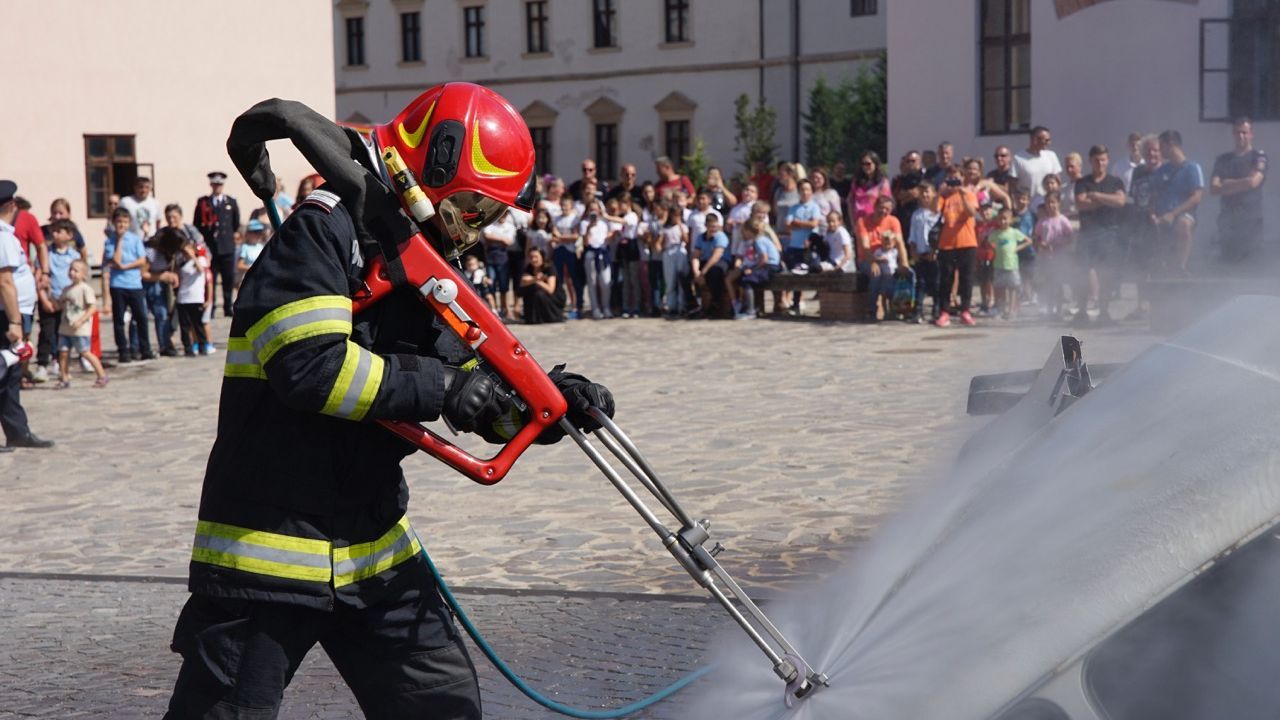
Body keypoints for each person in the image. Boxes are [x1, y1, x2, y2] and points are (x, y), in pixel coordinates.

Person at [165, 82, 613, 719]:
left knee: (442, 705)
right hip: (269, 549)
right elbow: (310, 368)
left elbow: (471, 388)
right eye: (473, 207)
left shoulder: (414, 256)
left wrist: (547, 408)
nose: (478, 229)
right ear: (433, 166)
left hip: (372, 548)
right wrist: (446, 389)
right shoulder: (323, 230)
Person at [0, 181, 52, 450]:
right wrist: (15, 322)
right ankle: (17, 430)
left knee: (9, 376)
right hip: (9, 314)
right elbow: (5, 281)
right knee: (3, 371)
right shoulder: (4, 236)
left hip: (12, 311)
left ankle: (17, 430)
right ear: (12, 205)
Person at [1073, 144, 1127, 325]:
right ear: (1090, 161)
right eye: (1096, 160)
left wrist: (1096, 196)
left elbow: (1120, 201)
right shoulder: (1082, 183)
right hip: (1087, 233)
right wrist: (1107, 200)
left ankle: (1104, 312)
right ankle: (1081, 312)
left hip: (1109, 233)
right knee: (1082, 273)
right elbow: (1081, 204)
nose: (1100, 163)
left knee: (1106, 275)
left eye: (1103, 159)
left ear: (1108, 160)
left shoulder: (1115, 182)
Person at [1210, 117, 1268, 263]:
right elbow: (1214, 188)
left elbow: (1254, 182)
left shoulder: (1258, 157)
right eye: (1237, 132)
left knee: (1251, 268)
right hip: (1228, 222)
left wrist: (1228, 183)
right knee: (1228, 267)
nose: (1241, 136)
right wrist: (1243, 183)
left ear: (1251, 134)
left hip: (1251, 222)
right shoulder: (1223, 159)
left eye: (1244, 132)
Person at [104, 207, 153, 362]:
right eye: (119, 222)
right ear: (114, 223)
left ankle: (145, 348)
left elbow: (142, 260)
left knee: (141, 318)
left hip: (134, 284)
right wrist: (119, 240)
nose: (122, 225)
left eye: (125, 222)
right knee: (119, 320)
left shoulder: (135, 239)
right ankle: (123, 350)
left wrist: (126, 267)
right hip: (118, 284)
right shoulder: (110, 241)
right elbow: (115, 260)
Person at [933, 164, 979, 327]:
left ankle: (965, 310)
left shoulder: (969, 194)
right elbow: (934, 210)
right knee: (946, 279)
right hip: (947, 243)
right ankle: (944, 311)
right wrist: (939, 192)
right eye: (950, 177)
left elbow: (972, 213)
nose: (953, 181)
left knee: (967, 278)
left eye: (956, 178)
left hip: (967, 241)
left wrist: (961, 192)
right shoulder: (944, 197)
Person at [1153, 130, 1204, 277]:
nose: (1159, 151)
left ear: (1171, 144)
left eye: (1161, 146)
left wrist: (1172, 214)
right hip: (1162, 216)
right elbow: (1154, 196)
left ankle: (1180, 267)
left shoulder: (1192, 168)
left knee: (1183, 224)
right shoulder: (1161, 170)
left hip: (1184, 214)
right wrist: (1153, 214)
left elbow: (1196, 197)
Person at [35, 221, 81, 379]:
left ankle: (61, 363)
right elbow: (39, 277)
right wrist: (44, 300)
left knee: (65, 334)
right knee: (47, 333)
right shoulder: (46, 254)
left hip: (68, 302)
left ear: (69, 235)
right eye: (52, 232)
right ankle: (42, 364)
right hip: (50, 299)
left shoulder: (74, 256)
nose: (54, 235)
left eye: (58, 231)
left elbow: (80, 279)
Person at [193, 171, 241, 316]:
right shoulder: (203, 202)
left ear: (223, 185)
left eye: (219, 184)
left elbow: (235, 223)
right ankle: (211, 306)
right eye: (214, 184)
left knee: (228, 279)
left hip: (227, 247)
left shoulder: (230, 202)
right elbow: (197, 223)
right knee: (210, 278)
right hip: (211, 247)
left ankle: (227, 306)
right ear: (211, 185)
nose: (217, 187)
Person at [1126, 135, 1162, 321]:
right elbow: (1134, 196)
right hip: (1140, 222)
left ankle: (1157, 304)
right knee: (1140, 266)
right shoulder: (1138, 171)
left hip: (1157, 223)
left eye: (1155, 150)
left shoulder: (1165, 171)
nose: (1152, 154)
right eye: (1148, 151)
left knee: (1156, 264)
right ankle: (1141, 305)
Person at [56, 259, 108, 388]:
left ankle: (101, 375)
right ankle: (64, 377)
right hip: (65, 327)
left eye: (76, 270)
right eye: (71, 270)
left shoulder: (85, 289)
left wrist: (81, 320)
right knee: (63, 352)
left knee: (85, 352)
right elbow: (61, 304)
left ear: (83, 274)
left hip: (80, 329)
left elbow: (92, 308)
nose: (72, 273)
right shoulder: (66, 289)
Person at [857, 195, 905, 321]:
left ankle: (893, 307)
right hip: (867, 259)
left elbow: (900, 243)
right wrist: (872, 262)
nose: (883, 211)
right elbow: (865, 245)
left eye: (887, 209)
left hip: (888, 259)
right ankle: (872, 309)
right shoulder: (863, 221)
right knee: (877, 274)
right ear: (875, 207)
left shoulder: (893, 221)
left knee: (890, 273)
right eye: (881, 207)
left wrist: (904, 263)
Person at [1034, 191, 1074, 319]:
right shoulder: (1043, 221)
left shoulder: (1063, 220)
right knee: (1049, 284)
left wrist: (1060, 244)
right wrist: (1041, 244)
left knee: (1059, 284)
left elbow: (1070, 237)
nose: (1051, 205)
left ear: (1059, 204)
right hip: (1046, 258)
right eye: (1048, 203)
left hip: (1059, 258)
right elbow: (1036, 237)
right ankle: (1050, 310)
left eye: (1053, 202)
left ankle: (1059, 309)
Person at [987, 207, 1032, 319]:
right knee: (1001, 288)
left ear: (1011, 220)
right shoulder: (995, 234)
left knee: (1012, 288)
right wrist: (993, 249)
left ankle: (1012, 310)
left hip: (1012, 265)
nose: (1003, 221)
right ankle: (1002, 309)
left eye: (1005, 219)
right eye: (1001, 219)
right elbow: (988, 242)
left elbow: (1028, 241)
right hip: (999, 265)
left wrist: (1017, 248)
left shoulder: (1014, 232)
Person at [907, 182, 940, 323]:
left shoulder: (939, 213)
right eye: (922, 192)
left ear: (934, 193)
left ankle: (937, 310)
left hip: (935, 254)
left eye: (927, 191)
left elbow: (941, 234)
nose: (925, 195)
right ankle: (918, 311)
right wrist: (913, 250)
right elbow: (912, 235)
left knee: (937, 283)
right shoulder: (916, 214)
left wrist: (936, 250)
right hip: (920, 253)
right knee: (920, 283)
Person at [691, 211, 730, 317]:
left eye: (715, 226)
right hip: (705, 261)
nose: (713, 229)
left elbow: (716, 256)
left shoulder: (721, 236)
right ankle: (693, 303)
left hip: (720, 262)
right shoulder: (701, 237)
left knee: (715, 273)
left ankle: (715, 303)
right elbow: (696, 256)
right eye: (711, 226)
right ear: (706, 226)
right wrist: (696, 272)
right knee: (685, 274)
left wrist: (703, 272)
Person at [551, 195, 584, 319]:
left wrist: (560, 238)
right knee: (559, 279)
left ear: (571, 206)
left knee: (574, 279)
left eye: (567, 205)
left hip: (571, 251)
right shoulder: (556, 219)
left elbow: (575, 236)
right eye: (562, 205)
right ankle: (559, 305)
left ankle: (578, 306)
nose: (564, 207)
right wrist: (564, 238)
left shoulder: (574, 219)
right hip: (559, 250)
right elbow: (554, 232)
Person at [481, 209, 517, 319]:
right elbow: (487, 237)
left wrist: (495, 238)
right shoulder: (490, 224)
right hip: (490, 256)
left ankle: (504, 308)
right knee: (491, 283)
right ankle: (494, 309)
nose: (502, 217)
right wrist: (502, 239)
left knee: (503, 285)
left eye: (504, 215)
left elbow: (509, 242)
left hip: (503, 257)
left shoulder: (510, 226)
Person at [1013, 126, 1062, 200]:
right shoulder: (1018, 158)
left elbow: (1058, 181)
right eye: (1046, 140)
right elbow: (1012, 186)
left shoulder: (1051, 155)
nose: (1049, 143)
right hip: (1028, 205)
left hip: (1048, 204)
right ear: (1035, 140)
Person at [518, 246, 565, 323]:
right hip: (537, 293)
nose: (533, 260)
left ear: (542, 257)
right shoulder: (529, 268)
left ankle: (549, 317)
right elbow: (522, 283)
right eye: (531, 257)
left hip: (554, 297)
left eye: (536, 257)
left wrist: (536, 281)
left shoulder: (549, 268)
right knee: (528, 292)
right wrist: (535, 279)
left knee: (539, 294)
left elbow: (550, 289)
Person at [659, 200, 690, 316]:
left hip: (680, 250)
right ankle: (672, 305)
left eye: (678, 215)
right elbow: (661, 243)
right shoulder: (665, 228)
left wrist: (680, 224)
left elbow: (686, 240)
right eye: (674, 215)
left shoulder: (684, 226)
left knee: (681, 279)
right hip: (669, 252)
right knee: (670, 280)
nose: (675, 217)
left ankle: (682, 305)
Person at [848, 151, 891, 227]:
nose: (865, 166)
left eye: (868, 164)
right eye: (863, 164)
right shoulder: (857, 182)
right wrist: (853, 224)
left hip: (875, 222)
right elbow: (850, 201)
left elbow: (886, 204)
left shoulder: (882, 183)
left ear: (875, 164)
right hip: (859, 222)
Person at [891, 151, 924, 233]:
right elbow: (897, 196)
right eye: (908, 161)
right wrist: (910, 195)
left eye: (913, 161)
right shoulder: (899, 179)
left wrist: (906, 196)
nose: (910, 163)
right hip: (903, 217)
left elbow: (919, 192)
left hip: (919, 215)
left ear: (919, 161)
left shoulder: (924, 176)